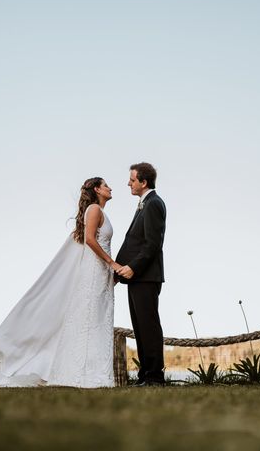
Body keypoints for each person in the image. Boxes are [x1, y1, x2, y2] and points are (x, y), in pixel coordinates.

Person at [0, 177, 122, 388]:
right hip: (95, 270)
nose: (110, 188)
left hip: (100, 272)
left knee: (97, 318)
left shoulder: (100, 212)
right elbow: (90, 239)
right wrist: (112, 263)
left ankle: (94, 373)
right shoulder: (94, 210)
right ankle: (84, 374)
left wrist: (109, 271)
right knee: (90, 317)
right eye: (106, 185)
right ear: (97, 189)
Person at [115, 162, 167, 386]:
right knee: (139, 328)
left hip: (146, 276)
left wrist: (133, 267)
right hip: (137, 278)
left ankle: (155, 376)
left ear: (143, 182)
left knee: (149, 327)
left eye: (132, 179)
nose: (128, 183)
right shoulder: (145, 204)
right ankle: (145, 375)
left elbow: (152, 244)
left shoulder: (154, 204)